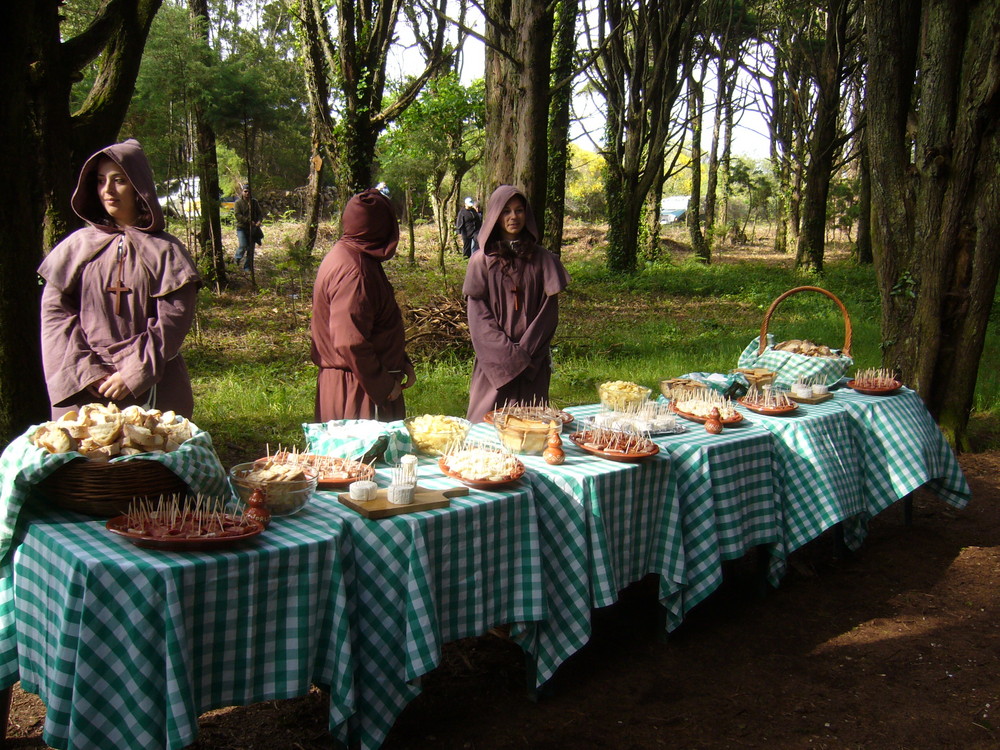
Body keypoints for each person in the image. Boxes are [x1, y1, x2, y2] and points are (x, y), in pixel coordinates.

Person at [38, 139, 201, 419]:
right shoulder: (75, 247)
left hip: (153, 382)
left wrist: (133, 372)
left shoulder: (166, 251)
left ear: (139, 188)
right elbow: (55, 315)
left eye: (119, 181)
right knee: (86, 455)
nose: (108, 190)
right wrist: (86, 371)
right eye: (101, 181)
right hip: (85, 385)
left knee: (151, 456)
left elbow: (173, 321)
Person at [463, 185, 570, 422]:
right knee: (486, 425)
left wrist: (525, 354)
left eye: (519, 210)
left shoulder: (544, 259)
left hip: (533, 360)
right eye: (506, 211)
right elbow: (479, 318)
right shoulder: (481, 261)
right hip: (494, 362)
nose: (513, 217)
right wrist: (507, 357)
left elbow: (548, 315)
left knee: (530, 427)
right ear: (495, 215)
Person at [311, 188, 416, 421]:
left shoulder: (352, 256)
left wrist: (399, 362)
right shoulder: (354, 271)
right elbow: (350, 341)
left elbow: (373, 326)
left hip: (359, 381)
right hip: (359, 391)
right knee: (363, 458)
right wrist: (383, 384)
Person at [234, 184, 262, 271]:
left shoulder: (254, 202)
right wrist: (248, 221)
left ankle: (247, 267)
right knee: (243, 245)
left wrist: (259, 221)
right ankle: (237, 258)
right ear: (242, 192)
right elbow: (237, 215)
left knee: (251, 249)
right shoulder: (238, 203)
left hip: (253, 229)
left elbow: (260, 213)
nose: (247, 193)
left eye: (248, 192)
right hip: (241, 228)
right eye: (245, 191)